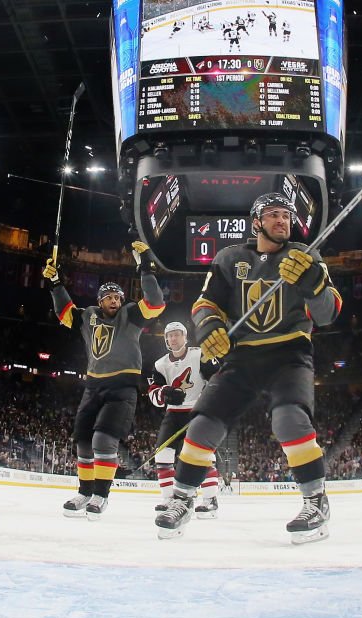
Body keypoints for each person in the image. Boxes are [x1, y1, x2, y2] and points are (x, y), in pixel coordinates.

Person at [155, 192, 342, 542]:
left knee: (290, 419)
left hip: (290, 352)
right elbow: (205, 304)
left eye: (286, 215)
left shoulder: (307, 256)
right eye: (273, 215)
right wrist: (211, 328)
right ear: (256, 222)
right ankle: (181, 499)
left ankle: (316, 501)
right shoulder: (229, 258)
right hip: (242, 357)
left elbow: (327, 314)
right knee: (202, 424)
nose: (282, 221)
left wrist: (312, 280)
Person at [43, 241, 165, 519]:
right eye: (110, 297)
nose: (115, 300)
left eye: (118, 297)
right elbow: (64, 314)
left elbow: (156, 303)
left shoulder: (130, 315)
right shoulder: (88, 315)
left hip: (123, 387)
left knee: (102, 439)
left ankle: (101, 495)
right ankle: (84, 492)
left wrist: (146, 266)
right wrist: (55, 283)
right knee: (83, 441)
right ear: (100, 300)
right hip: (94, 385)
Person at [147, 321, 220, 516]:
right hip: (173, 414)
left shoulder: (200, 354)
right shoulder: (160, 364)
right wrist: (165, 393)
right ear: (166, 340)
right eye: (170, 335)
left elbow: (217, 379)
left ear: (185, 337)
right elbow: (153, 394)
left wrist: (208, 401)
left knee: (202, 454)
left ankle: (210, 499)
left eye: (177, 334)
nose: (173, 338)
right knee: (162, 454)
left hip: (197, 412)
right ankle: (169, 498)